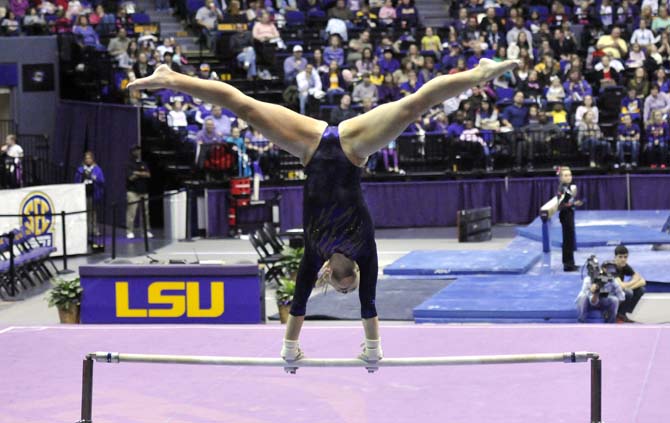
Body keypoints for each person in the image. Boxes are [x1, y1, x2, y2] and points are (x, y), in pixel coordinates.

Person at [128, 58, 520, 363]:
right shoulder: (364, 250)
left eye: (338, 288)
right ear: (352, 276)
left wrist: (289, 350)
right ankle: (476, 76)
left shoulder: (316, 255)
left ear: (329, 277)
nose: (344, 288)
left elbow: (298, 305)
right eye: (347, 288)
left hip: (312, 149)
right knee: (411, 106)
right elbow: (369, 306)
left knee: (244, 107)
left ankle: (172, 78)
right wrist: (371, 350)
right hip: (353, 149)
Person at [74, 151, 105, 240]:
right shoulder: (80, 169)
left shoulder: (97, 169)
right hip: (83, 194)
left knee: (93, 213)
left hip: (93, 194)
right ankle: (85, 230)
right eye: (86, 158)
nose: (88, 160)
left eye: (90, 158)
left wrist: (95, 178)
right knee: (84, 213)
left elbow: (102, 181)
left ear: (92, 159)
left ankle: (94, 230)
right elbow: (76, 181)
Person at [557, 167, 582, 272]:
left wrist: (573, 202)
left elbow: (569, 199)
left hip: (569, 213)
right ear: (561, 177)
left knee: (570, 240)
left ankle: (570, 263)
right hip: (565, 215)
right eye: (566, 175)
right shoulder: (562, 188)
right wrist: (573, 203)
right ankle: (568, 265)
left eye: (570, 175)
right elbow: (560, 204)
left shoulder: (569, 186)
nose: (569, 177)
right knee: (567, 240)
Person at [612, 244, 646, 322]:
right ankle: (618, 316)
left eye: (625, 257)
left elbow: (642, 281)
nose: (623, 259)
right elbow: (620, 285)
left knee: (641, 290)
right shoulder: (611, 267)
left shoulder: (624, 266)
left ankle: (622, 314)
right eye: (620, 257)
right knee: (628, 292)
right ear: (615, 257)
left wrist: (628, 286)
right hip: (608, 293)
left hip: (619, 290)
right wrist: (633, 282)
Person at [125, 146, 153, 239]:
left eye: (139, 150)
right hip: (133, 192)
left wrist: (137, 173)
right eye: (136, 150)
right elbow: (130, 178)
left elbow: (148, 174)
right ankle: (129, 231)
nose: (138, 152)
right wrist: (141, 174)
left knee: (145, 213)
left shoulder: (143, 163)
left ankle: (145, 231)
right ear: (132, 152)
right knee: (131, 213)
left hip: (144, 191)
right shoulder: (129, 164)